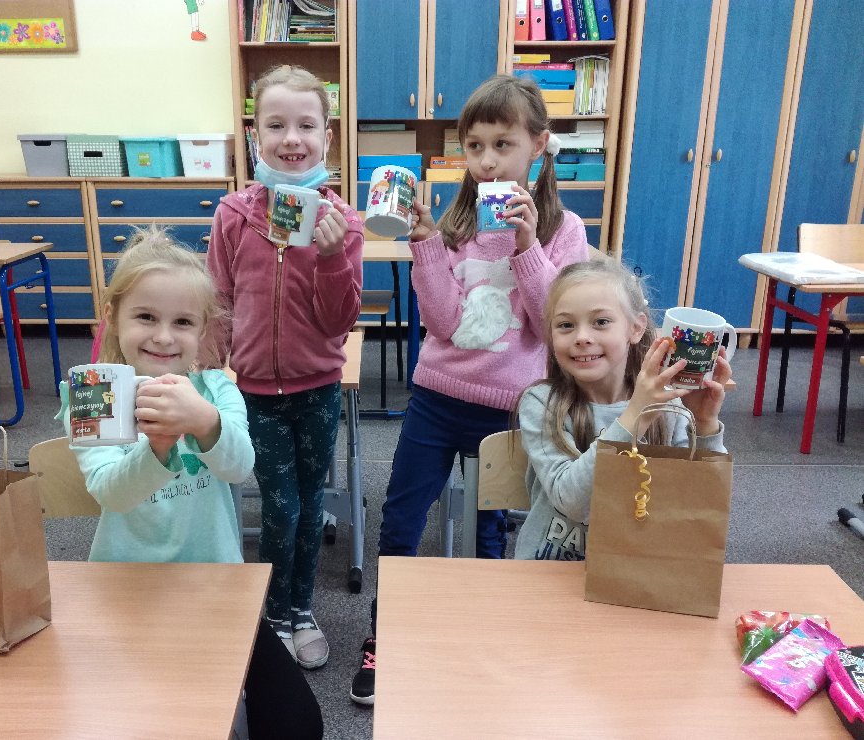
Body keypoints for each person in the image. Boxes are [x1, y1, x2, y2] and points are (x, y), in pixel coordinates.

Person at [349, 74, 589, 706]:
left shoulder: (565, 231)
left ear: (538, 145)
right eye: (475, 146)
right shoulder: (457, 223)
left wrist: (528, 247)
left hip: (509, 410)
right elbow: (443, 321)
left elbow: (552, 324)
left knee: (489, 534)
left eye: (503, 144)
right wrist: (426, 245)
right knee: (401, 523)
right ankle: (384, 637)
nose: (487, 161)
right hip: (437, 398)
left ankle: (486, 637)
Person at [58, 227, 323, 739]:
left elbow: (239, 466)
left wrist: (204, 422)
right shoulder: (95, 391)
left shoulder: (217, 388)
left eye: (182, 322)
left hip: (215, 586)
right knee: (144, 718)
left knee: (297, 724)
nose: (163, 337)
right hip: (125, 588)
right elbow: (111, 492)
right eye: (145, 317)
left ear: (203, 331)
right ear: (113, 317)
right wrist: (157, 446)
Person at [206, 64, 364, 671]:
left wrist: (330, 256)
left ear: (328, 136)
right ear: (256, 135)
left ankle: (301, 609)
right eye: (275, 125)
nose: (291, 139)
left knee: (309, 502)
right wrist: (209, 375)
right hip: (254, 392)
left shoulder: (342, 223)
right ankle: (275, 614)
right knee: (281, 506)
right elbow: (218, 302)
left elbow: (339, 321)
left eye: (306, 125)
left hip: (317, 388)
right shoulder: (233, 215)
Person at [513, 257, 731, 562]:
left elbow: (702, 501)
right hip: (550, 570)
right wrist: (635, 416)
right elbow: (573, 503)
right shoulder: (541, 402)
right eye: (565, 325)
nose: (582, 337)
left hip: (638, 572)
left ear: (636, 328)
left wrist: (705, 424)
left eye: (601, 322)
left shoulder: (668, 405)